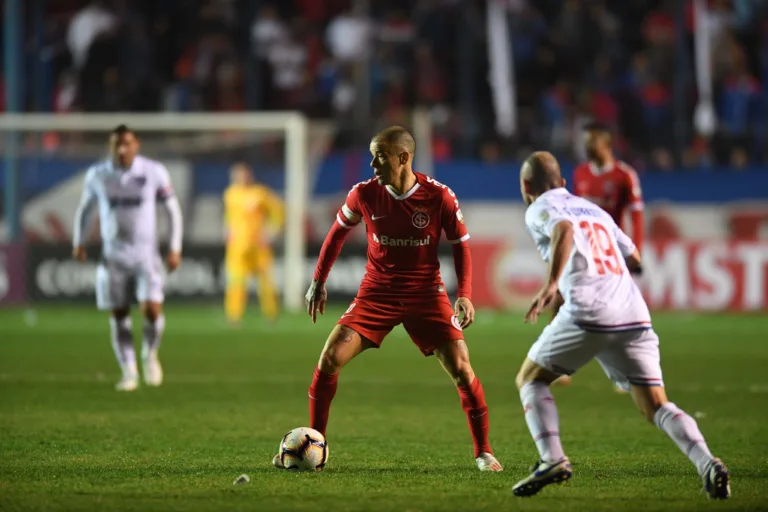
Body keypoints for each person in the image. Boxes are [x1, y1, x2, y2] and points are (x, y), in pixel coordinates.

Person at [273, 126, 502, 472]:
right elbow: (336, 234)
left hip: (426, 294)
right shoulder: (364, 194)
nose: (372, 164)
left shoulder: (439, 196)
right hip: (376, 293)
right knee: (330, 358)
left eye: (379, 157)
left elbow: (461, 246)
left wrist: (465, 295)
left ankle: (484, 452)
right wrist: (318, 281)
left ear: (403, 158)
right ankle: (315, 447)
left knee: (461, 367)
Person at [511, 152, 729, 499]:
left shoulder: (539, 207)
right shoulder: (595, 210)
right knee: (656, 405)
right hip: (632, 313)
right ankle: (708, 463)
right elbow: (634, 257)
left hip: (589, 311)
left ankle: (552, 459)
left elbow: (564, 229)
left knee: (530, 379)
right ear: (563, 183)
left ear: (526, 186)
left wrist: (552, 284)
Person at [72, 125, 183, 391]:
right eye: (117, 144)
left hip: (146, 255)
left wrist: (175, 247)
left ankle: (150, 355)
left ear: (136, 145)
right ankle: (129, 371)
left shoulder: (153, 172)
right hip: (113, 256)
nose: (122, 149)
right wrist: (79, 242)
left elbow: (172, 210)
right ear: (110, 146)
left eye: (127, 144)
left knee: (151, 310)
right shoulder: (98, 174)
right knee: (119, 313)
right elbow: (85, 209)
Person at [558, 122, 646, 390]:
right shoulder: (580, 173)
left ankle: (628, 371)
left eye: (591, 140)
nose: (586, 146)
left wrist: (635, 252)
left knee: (615, 313)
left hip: (611, 253)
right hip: (584, 251)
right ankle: (559, 366)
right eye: (584, 140)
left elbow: (636, 216)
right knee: (561, 298)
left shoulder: (624, 175)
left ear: (606, 143)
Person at [223, 163, 284, 324]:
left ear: (249, 175)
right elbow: (229, 216)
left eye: (243, 174)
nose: (240, 178)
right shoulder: (230, 194)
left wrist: (272, 231)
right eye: (237, 175)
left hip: (258, 245)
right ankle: (234, 315)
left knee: (265, 282)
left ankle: (271, 314)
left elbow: (278, 209)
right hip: (237, 247)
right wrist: (228, 231)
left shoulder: (260, 193)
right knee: (236, 281)